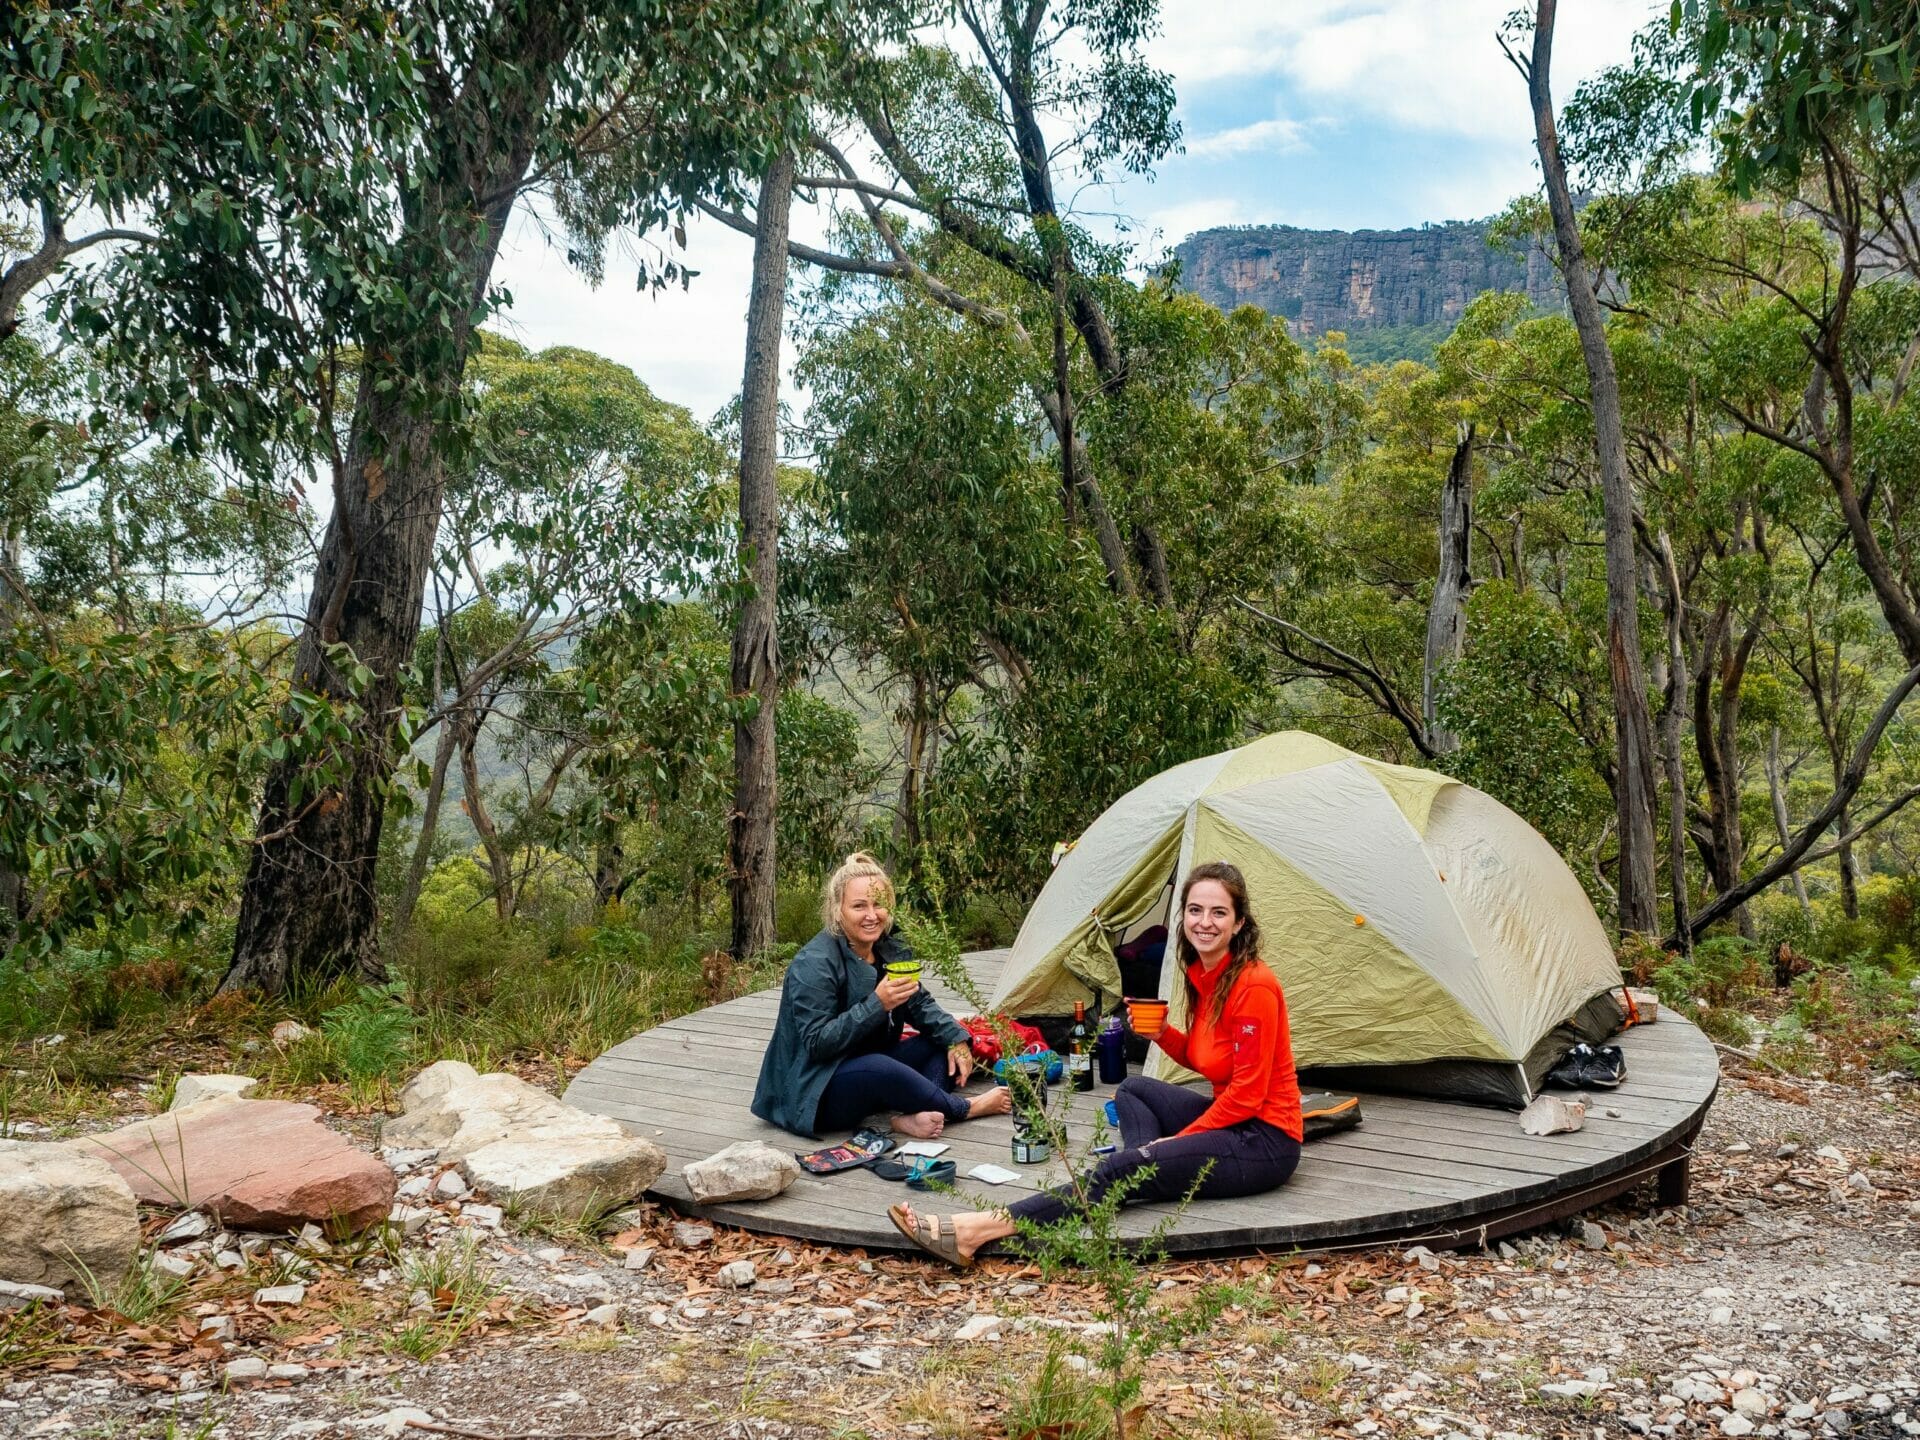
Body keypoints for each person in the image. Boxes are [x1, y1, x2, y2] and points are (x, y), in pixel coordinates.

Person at [888, 860, 1302, 1265]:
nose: (1204, 922)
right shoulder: (1204, 972)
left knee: (1124, 1167)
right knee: (1134, 1090)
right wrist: (1162, 1034)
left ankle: (976, 1230)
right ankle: (1143, 1171)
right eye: (1195, 910)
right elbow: (1207, 1058)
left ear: (1239, 923)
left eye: (1218, 913)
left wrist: (1173, 1143)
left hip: (1263, 1141)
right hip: (1228, 1118)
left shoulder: (1254, 987)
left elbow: (1247, 1096)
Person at [752, 852, 1013, 1140]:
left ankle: (913, 1116)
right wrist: (878, 1004)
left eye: (879, 905)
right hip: (815, 1090)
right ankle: (962, 1108)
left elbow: (918, 1002)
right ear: (838, 910)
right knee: (880, 1067)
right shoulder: (814, 962)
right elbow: (817, 1044)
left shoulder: (887, 947)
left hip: (867, 1068)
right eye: (859, 906)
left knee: (939, 1043)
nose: (871, 915)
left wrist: (956, 1039)